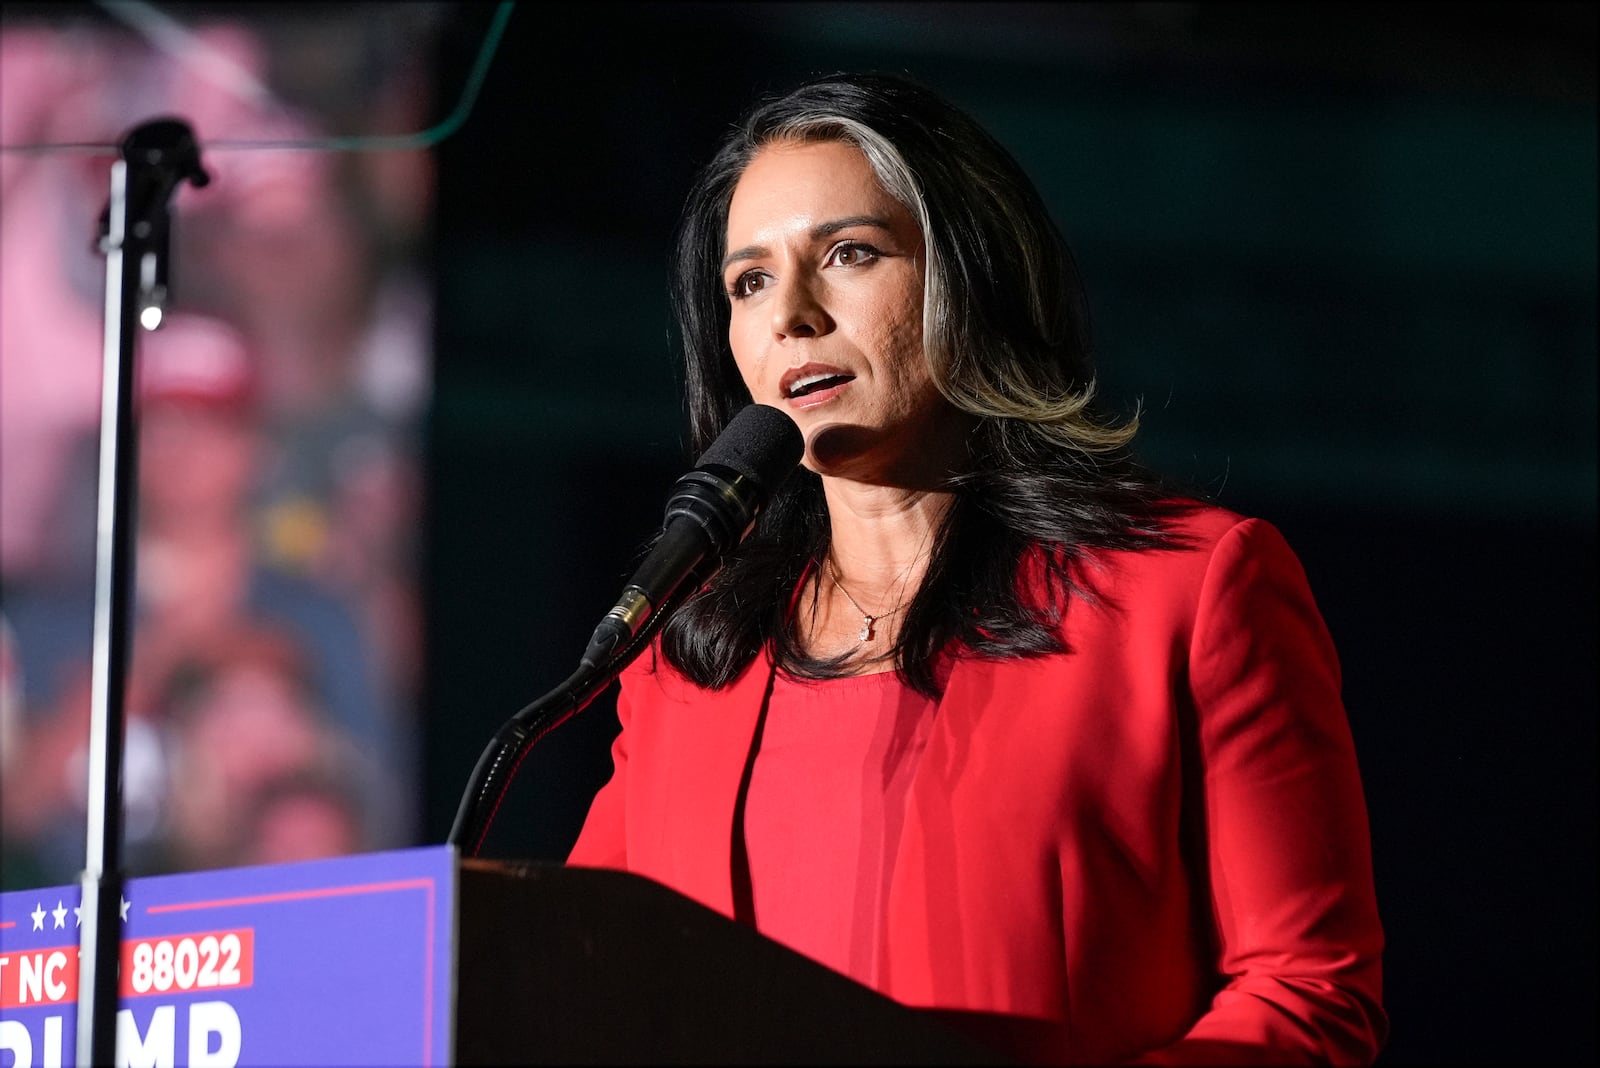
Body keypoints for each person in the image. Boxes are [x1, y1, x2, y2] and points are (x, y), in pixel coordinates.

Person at [563, 72, 1386, 1065]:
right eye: (749, 282)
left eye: (849, 254)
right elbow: (576, 978)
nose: (791, 315)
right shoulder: (688, 655)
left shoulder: (1189, 591)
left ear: (974, 275)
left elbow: (1308, 991)